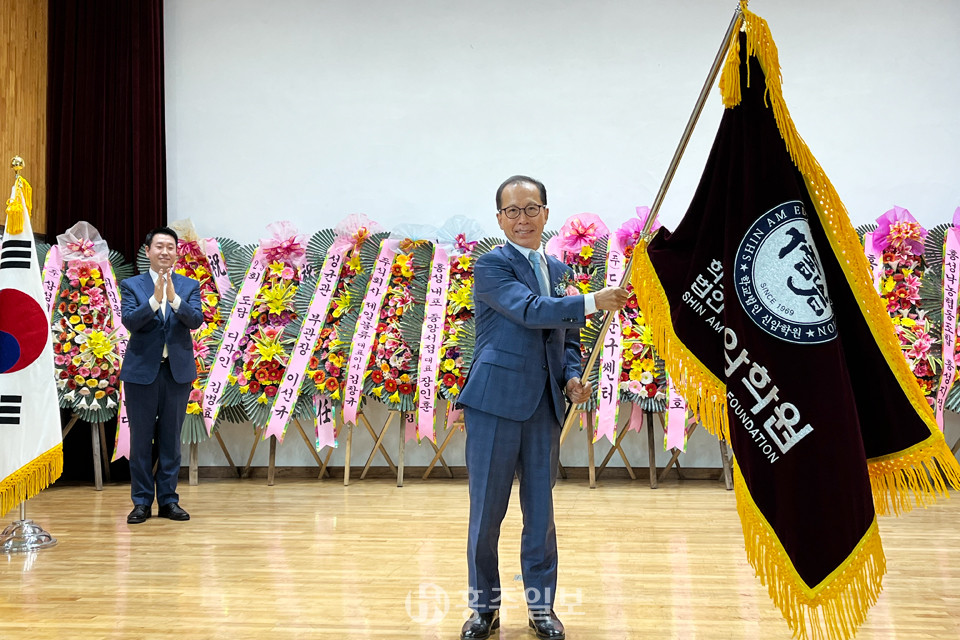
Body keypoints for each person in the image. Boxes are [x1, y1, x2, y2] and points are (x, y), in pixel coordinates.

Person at [458, 176, 629, 639]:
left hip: (543, 409)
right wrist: (595, 301)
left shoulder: (556, 269)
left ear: (546, 214)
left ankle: (541, 609)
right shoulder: (491, 266)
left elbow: (566, 339)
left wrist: (572, 375)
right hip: (493, 405)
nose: (522, 219)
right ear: (499, 220)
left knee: (541, 515)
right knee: (486, 515)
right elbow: (530, 310)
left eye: (531, 209)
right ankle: (483, 610)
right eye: (512, 211)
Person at [120, 227, 203, 525]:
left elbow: (195, 319)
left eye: (170, 246)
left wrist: (174, 299)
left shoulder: (189, 286)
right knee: (141, 441)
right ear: (148, 251)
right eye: (159, 246)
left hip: (176, 373)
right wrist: (155, 300)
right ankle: (141, 502)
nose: (165, 251)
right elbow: (130, 321)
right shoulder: (132, 285)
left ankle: (168, 500)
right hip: (141, 373)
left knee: (170, 440)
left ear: (177, 252)